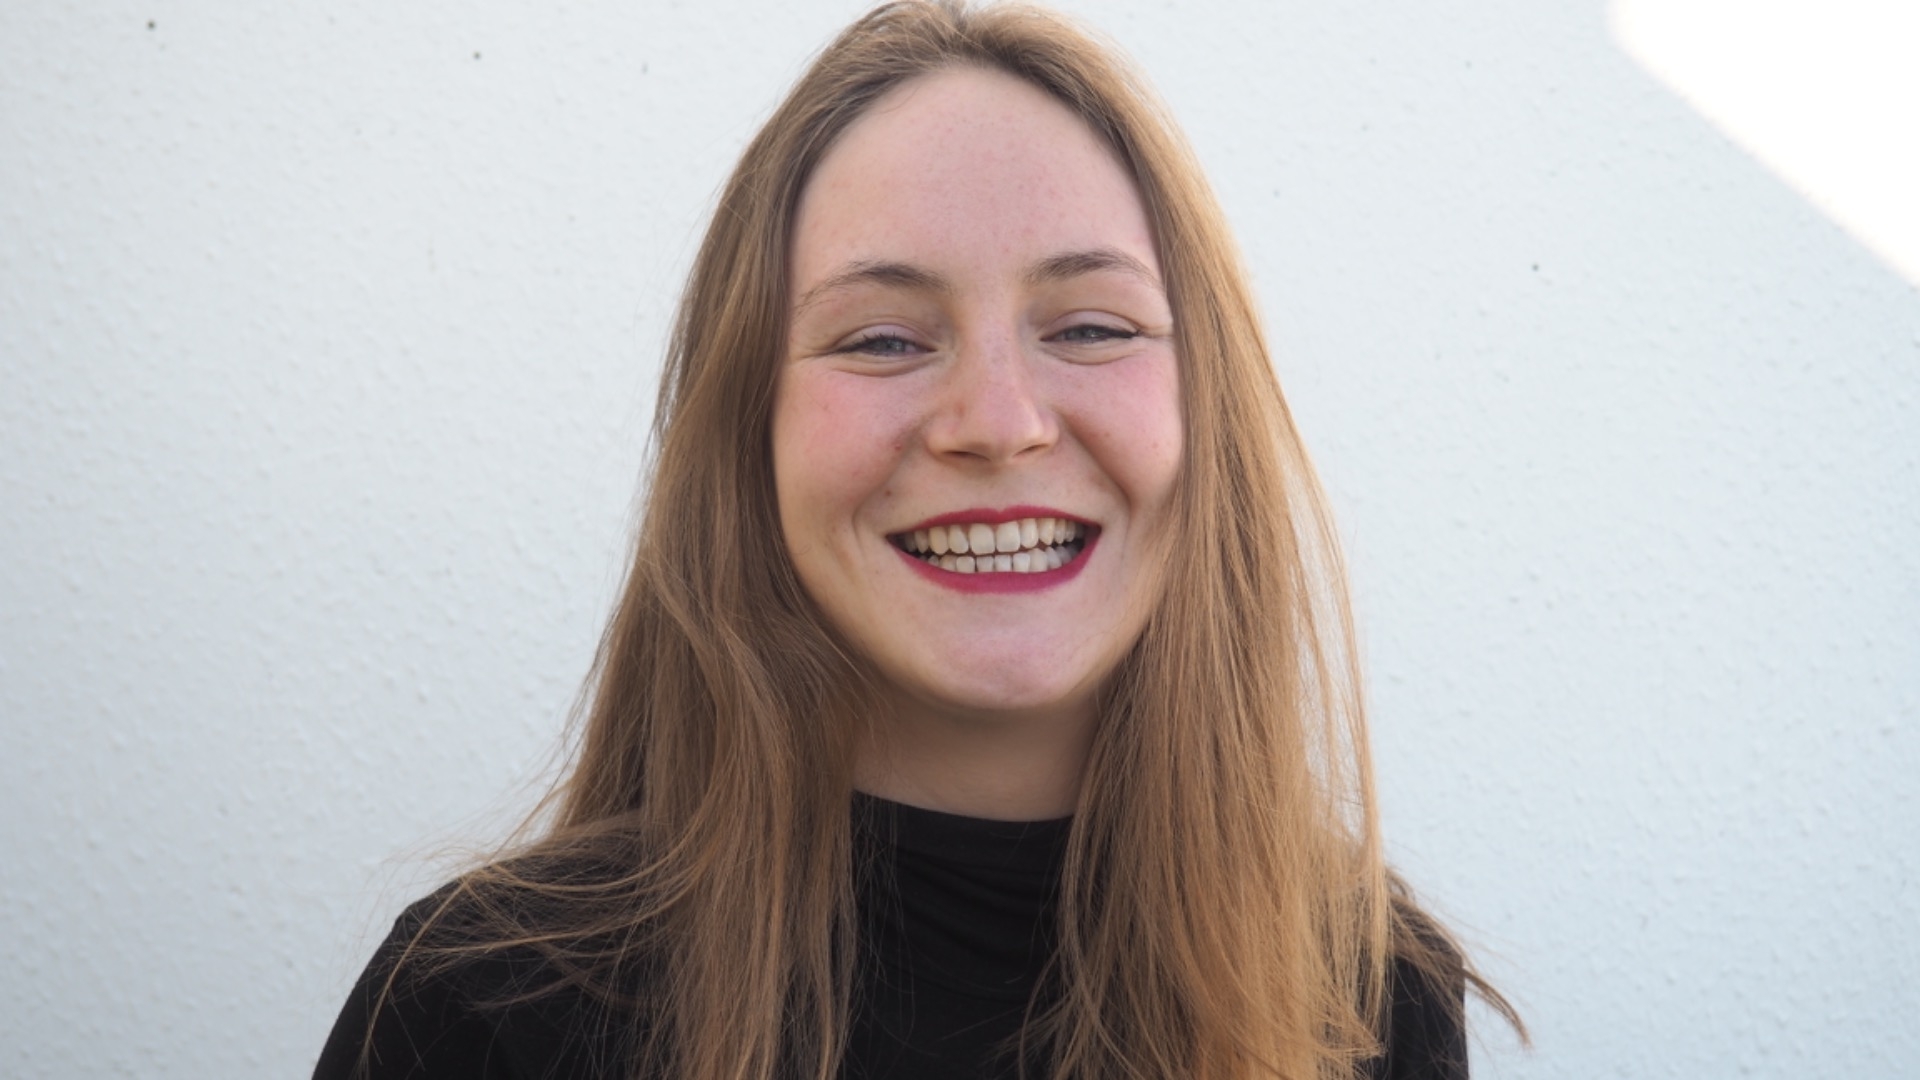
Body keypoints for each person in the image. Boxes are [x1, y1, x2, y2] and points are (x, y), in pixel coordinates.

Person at [315, 2, 1523, 1077]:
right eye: (884, 340)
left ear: (1209, 413)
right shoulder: (482, 1014)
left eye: (1091, 328)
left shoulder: (1367, 997)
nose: (998, 423)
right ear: (749, 438)